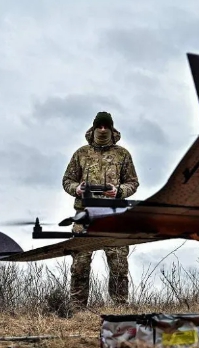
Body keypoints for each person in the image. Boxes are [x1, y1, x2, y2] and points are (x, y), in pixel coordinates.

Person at [62, 111, 139, 309]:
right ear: (94, 128)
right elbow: (67, 181)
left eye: (106, 126)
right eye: (100, 126)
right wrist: (76, 189)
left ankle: (120, 307)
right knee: (79, 264)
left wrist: (119, 191)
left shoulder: (123, 154)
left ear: (111, 129)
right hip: (84, 216)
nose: (103, 130)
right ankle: (77, 309)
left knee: (119, 265)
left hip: (113, 216)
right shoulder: (81, 153)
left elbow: (133, 183)